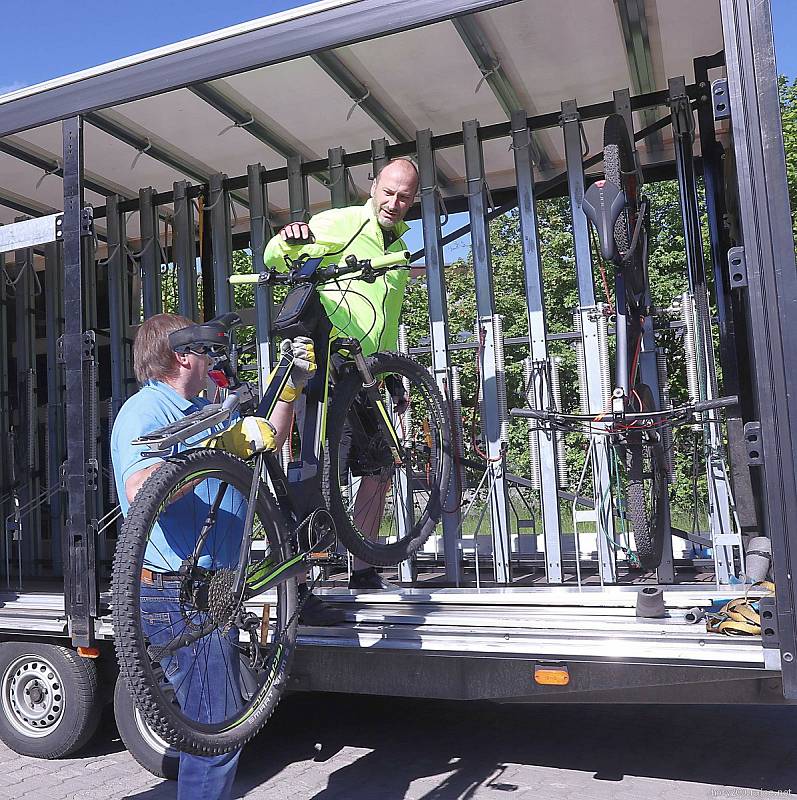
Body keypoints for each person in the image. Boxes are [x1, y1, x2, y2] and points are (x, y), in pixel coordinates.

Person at [110, 312, 314, 799]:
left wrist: (288, 393)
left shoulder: (205, 408)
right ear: (182, 355)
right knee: (216, 733)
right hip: (175, 594)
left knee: (204, 724)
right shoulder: (146, 412)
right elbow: (142, 491)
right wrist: (213, 454)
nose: (211, 358)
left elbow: (266, 440)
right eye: (204, 349)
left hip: (214, 590)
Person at [263, 158, 419, 591]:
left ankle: (363, 565)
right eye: (388, 191)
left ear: (413, 199)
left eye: (404, 195)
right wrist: (287, 238)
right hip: (330, 363)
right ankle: (306, 576)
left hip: (366, 370)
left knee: (379, 467)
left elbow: (387, 319)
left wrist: (390, 377)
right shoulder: (343, 222)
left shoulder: (399, 249)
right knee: (321, 470)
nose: (394, 201)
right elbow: (278, 255)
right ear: (373, 187)